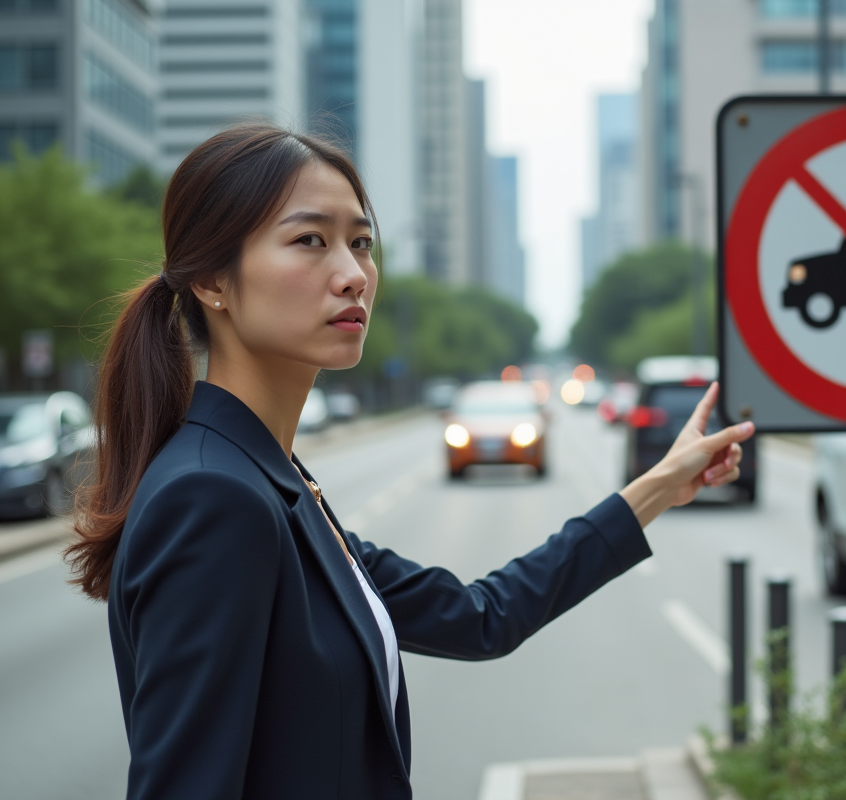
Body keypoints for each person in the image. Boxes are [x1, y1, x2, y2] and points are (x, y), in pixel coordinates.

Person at [66, 124, 754, 800]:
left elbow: (481, 616)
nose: (353, 275)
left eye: (361, 244)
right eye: (311, 240)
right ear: (215, 280)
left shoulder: (277, 484)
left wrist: (660, 485)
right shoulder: (215, 498)